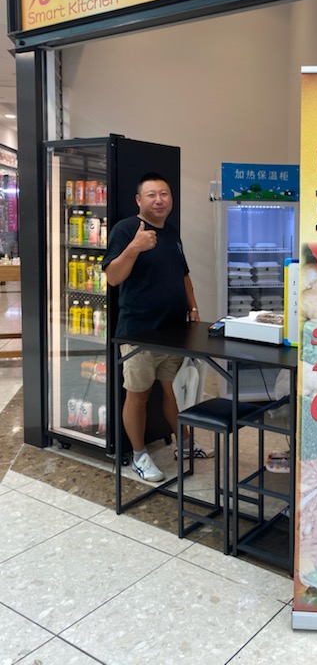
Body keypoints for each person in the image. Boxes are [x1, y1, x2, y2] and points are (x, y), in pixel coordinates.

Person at [102, 172, 210, 482]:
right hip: (139, 332)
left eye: (164, 194)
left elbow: (183, 274)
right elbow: (113, 277)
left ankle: (185, 444)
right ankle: (139, 455)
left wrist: (193, 307)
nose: (159, 200)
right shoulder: (126, 230)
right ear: (139, 200)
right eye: (151, 195)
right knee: (138, 395)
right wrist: (135, 246)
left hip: (173, 331)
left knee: (175, 392)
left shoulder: (172, 232)